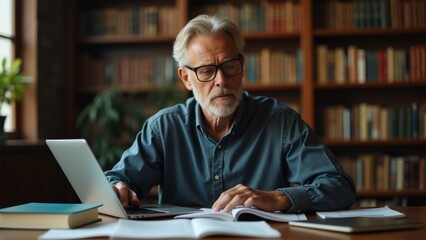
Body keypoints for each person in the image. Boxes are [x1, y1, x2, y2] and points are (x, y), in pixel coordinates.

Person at [105, 14, 356, 213]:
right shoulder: (163, 128)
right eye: (206, 71)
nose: (221, 80)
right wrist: (118, 189)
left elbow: (339, 187)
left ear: (242, 65)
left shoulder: (281, 123)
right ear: (186, 78)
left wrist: (277, 197)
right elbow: (116, 181)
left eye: (230, 66)